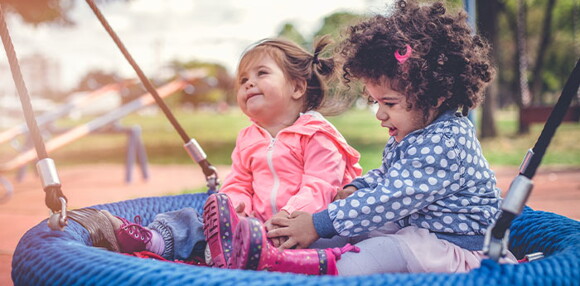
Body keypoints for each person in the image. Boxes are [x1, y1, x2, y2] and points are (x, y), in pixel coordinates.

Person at [228, 0, 518, 276]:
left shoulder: (447, 143)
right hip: (420, 234)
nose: (380, 114)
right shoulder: (411, 132)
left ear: (435, 96)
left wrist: (319, 222)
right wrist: (357, 186)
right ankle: (288, 252)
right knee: (354, 232)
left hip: (456, 248)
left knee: (380, 249)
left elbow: (391, 197)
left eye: (389, 103)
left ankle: (300, 268)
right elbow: (386, 176)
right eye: (376, 102)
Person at [101, 36, 362, 268]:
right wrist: (235, 207)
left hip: (306, 228)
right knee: (192, 220)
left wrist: (288, 218)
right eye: (243, 80)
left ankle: (233, 254)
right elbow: (239, 181)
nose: (249, 84)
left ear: (297, 87)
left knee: (329, 241)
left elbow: (321, 186)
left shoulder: (318, 135)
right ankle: (155, 239)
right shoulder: (248, 138)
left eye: (262, 73)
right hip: (255, 227)